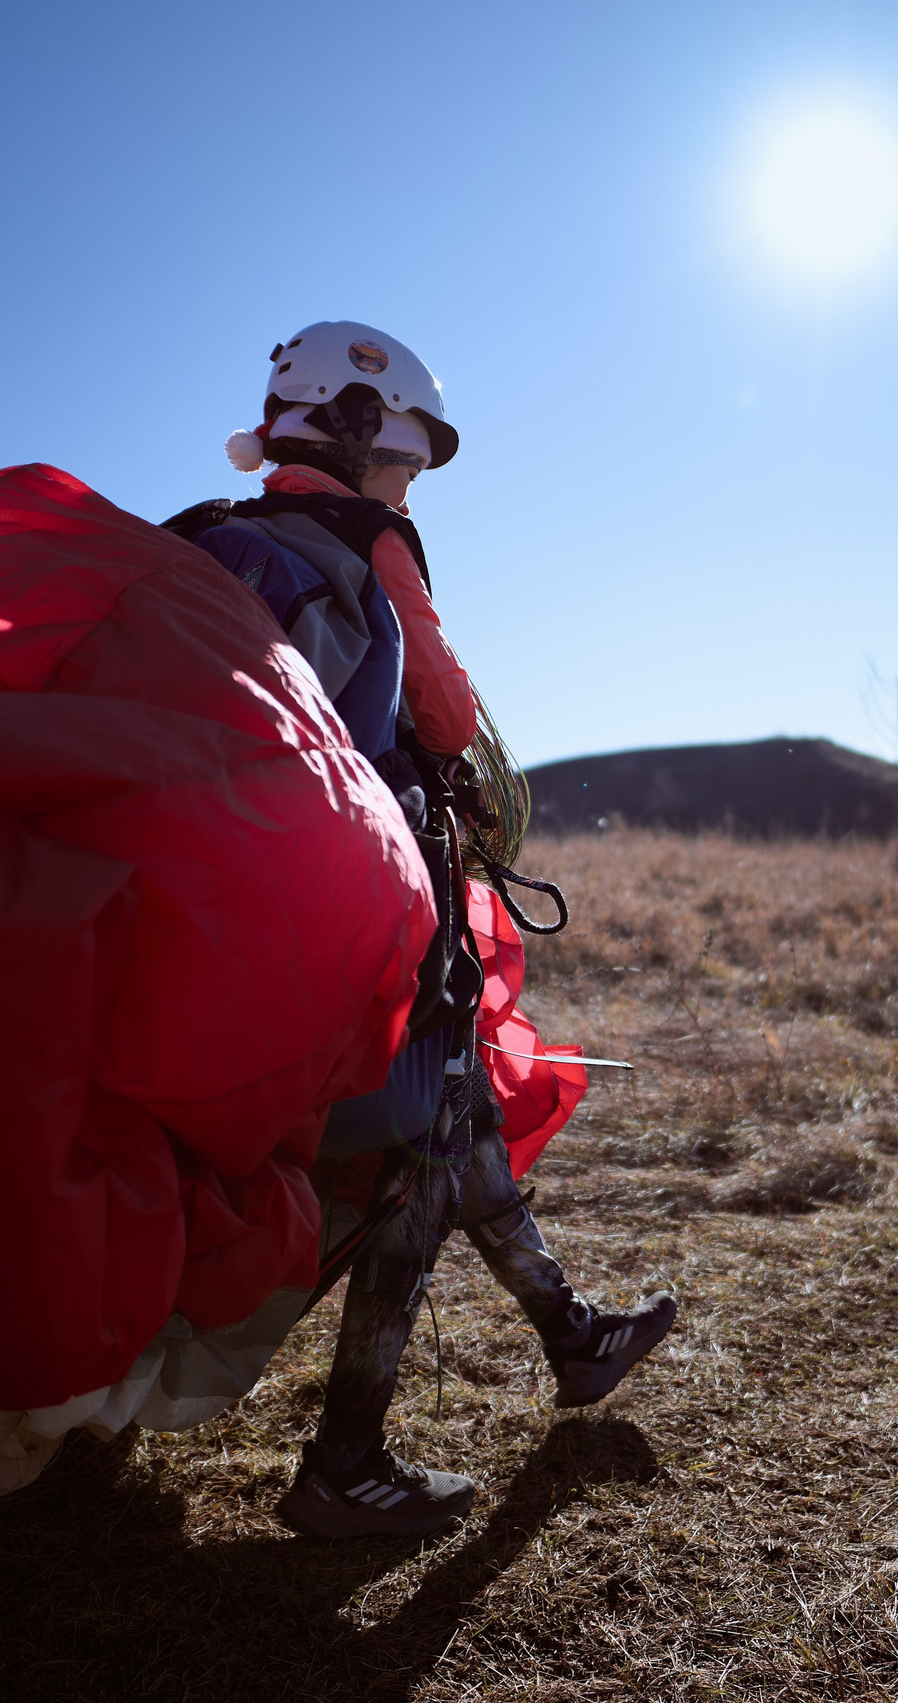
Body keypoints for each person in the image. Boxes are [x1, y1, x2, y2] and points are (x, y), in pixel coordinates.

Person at [166, 322, 677, 1540]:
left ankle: (573, 1331)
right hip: (360, 894)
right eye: (405, 454)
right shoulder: (361, 538)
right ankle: (345, 1458)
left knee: (450, 1115)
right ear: (357, 435)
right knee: (418, 1151)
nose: (410, 481)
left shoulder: (199, 543)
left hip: (235, 900)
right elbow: (441, 716)